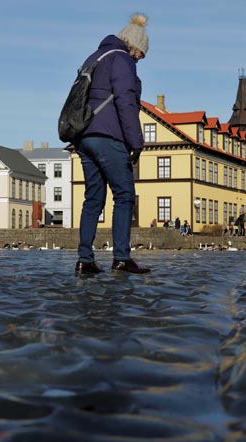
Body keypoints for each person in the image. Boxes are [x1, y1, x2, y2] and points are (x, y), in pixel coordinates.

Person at [72, 13, 150, 275]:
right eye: (141, 53)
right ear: (133, 45)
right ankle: (122, 257)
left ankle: (85, 260)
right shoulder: (122, 59)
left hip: (84, 137)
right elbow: (125, 101)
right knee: (125, 195)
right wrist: (136, 142)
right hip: (108, 137)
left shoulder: (94, 57)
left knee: (93, 197)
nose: (140, 58)